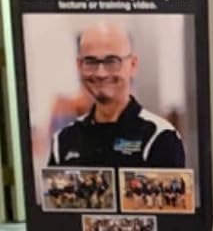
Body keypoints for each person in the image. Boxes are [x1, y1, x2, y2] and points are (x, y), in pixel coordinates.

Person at [50, 24, 187, 168]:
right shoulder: (63, 141)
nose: (101, 73)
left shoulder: (160, 137)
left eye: (112, 61)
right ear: (79, 66)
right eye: (91, 62)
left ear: (132, 65)